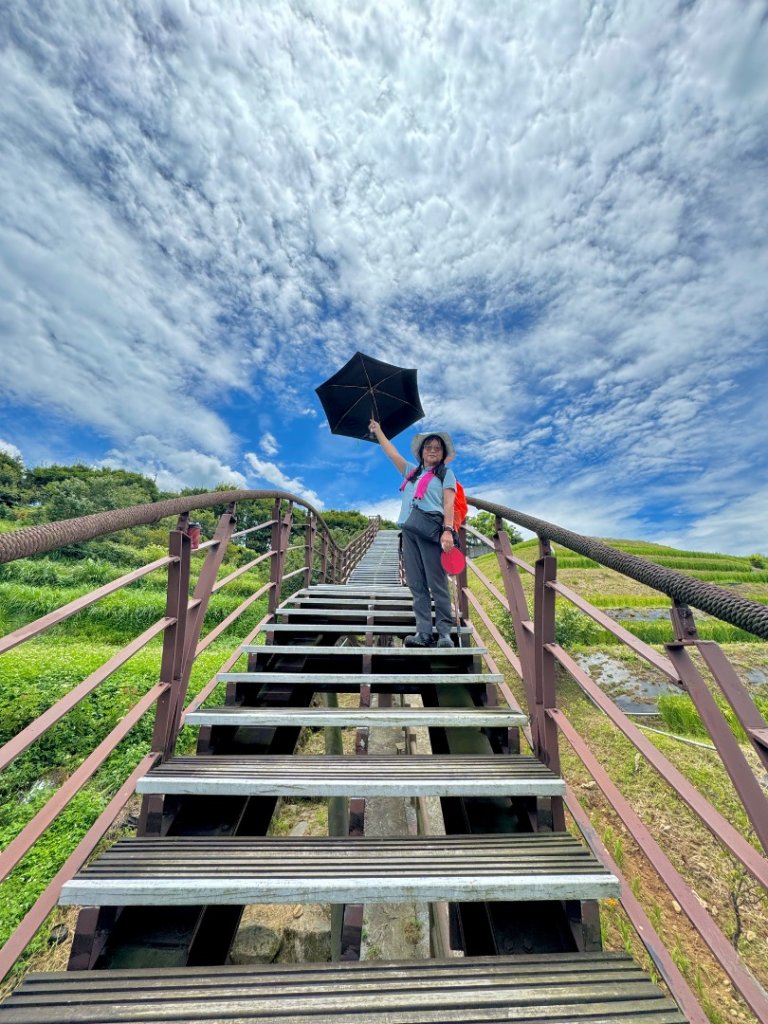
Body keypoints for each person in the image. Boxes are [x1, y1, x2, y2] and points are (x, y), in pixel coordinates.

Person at [368, 419, 458, 648]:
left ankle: (445, 633)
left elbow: (449, 504)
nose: (433, 450)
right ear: (422, 451)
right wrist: (379, 430)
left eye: (437, 448)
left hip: (432, 530)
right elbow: (392, 454)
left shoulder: (446, 475)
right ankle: (424, 633)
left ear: (442, 453)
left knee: (436, 583)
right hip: (409, 531)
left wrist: (447, 531)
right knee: (416, 584)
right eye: (429, 447)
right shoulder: (411, 472)